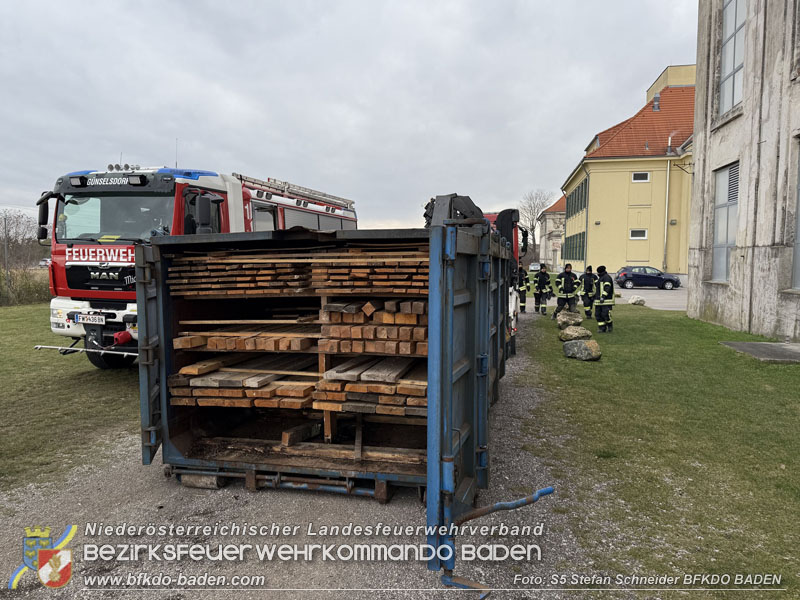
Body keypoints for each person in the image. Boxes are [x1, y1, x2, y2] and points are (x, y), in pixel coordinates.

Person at [594, 265, 615, 333]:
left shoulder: (607, 278)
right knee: (598, 314)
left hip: (606, 300)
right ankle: (602, 328)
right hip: (598, 300)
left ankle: (609, 325)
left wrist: (603, 296)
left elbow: (607, 288)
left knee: (605, 314)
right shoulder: (601, 278)